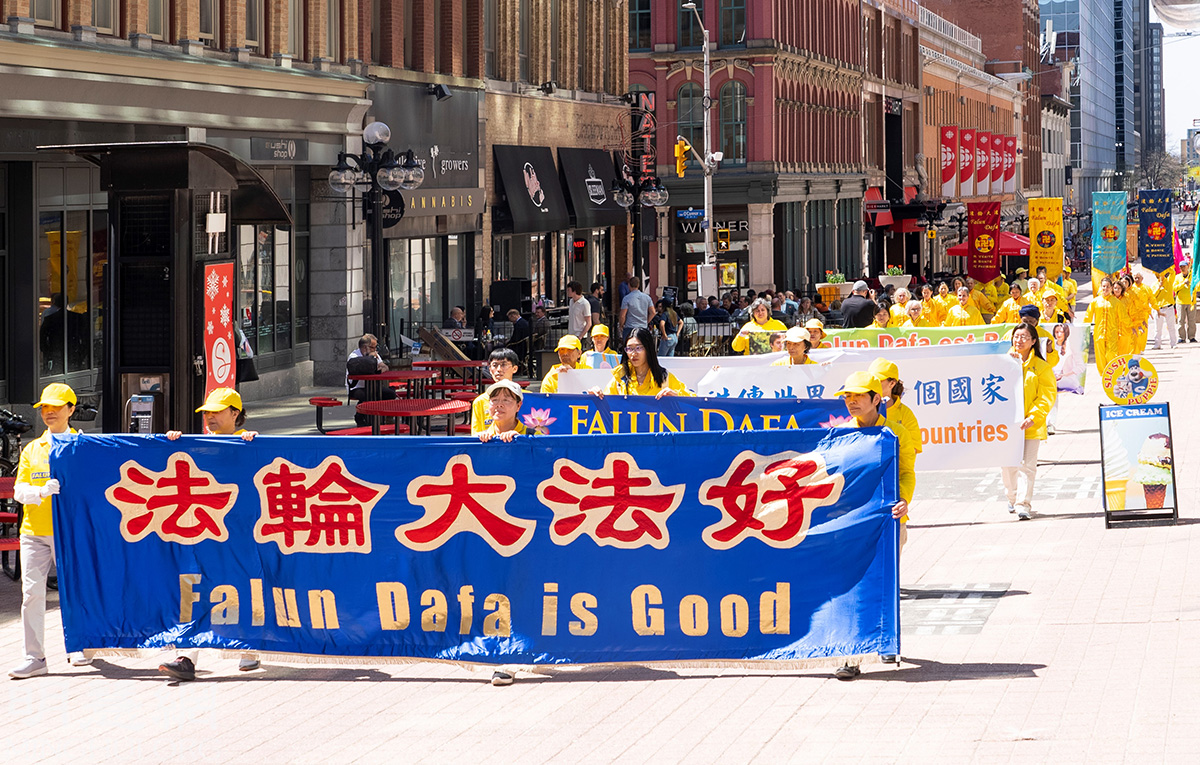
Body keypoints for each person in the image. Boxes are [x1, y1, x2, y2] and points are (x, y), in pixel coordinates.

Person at [158, 388, 259, 681]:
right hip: (202, 531)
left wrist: (255, 444)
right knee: (195, 588)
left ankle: (250, 647)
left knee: (243, 585)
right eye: (207, 412)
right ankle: (186, 656)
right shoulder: (194, 444)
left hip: (240, 532)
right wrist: (173, 444)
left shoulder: (250, 444)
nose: (210, 417)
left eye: (217, 411)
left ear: (235, 413)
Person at [830, 370, 915, 681]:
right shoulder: (840, 435)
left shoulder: (896, 433)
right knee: (850, 586)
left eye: (857, 396)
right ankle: (850, 657)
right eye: (847, 396)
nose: (851, 401)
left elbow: (906, 473)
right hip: (851, 525)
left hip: (888, 521)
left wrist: (904, 499)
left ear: (876, 399)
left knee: (884, 583)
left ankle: (886, 642)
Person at [8, 384, 89, 678]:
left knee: (74, 590)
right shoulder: (33, 449)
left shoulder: (83, 447)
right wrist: (41, 491)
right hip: (34, 532)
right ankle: (34, 658)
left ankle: (79, 647)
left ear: (71, 409)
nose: (49, 412)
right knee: (31, 594)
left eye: (56, 406)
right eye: (44, 407)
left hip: (69, 532)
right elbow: (19, 491)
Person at [1002, 324, 1056, 520]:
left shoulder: (1041, 367)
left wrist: (1033, 417)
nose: (1019, 340)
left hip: (1031, 425)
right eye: (1017, 336)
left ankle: (1023, 503)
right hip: (1006, 425)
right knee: (1008, 465)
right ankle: (1012, 497)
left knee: (1027, 466)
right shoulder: (1003, 363)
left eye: (1025, 337)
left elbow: (1046, 395)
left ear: (1033, 341)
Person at [592, 327, 693, 398]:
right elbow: (606, 403)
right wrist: (595, 396)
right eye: (629, 349)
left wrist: (677, 396)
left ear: (648, 349)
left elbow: (693, 400)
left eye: (638, 348)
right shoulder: (620, 377)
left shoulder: (664, 377)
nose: (633, 353)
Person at [868, 358, 923, 461]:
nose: (873, 384)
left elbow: (912, 450)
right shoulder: (863, 409)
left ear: (892, 383)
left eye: (878, 381)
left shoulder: (905, 413)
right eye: (871, 380)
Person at [346, 334, 394, 427]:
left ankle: (385, 417)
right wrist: (370, 359)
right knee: (369, 395)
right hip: (356, 387)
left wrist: (380, 368)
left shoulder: (375, 355)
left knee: (390, 394)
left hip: (372, 386)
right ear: (365, 347)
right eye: (373, 347)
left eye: (376, 347)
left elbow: (384, 366)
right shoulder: (354, 357)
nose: (375, 350)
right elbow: (365, 369)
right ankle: (360, 416)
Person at [473, 348, 521, 433]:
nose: (499, 369)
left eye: (504, 365)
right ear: (490, 369)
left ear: (515, 369)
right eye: (495, 365)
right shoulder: (479, 401)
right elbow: (476, 434)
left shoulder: (528, 398)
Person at [1085, 277, 1123, 373]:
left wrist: (1131, 327)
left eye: (1108, 286)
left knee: (1111, 354)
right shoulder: (1095, 302)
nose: (1105, 288)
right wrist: (1083, 329)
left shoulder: (1116, 302)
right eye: (1104, 286)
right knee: (1100, 355)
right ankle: (1103, 374)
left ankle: (1112, 373)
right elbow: (1088, 317)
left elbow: (1123, 318)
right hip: (1099, 333)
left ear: (1111, 288)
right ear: (1101, 287)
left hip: (1112, 333)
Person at [477, 380, 527, 444]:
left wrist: (520, 441)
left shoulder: (533, 435)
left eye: (506, 400)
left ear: (518, 406)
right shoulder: (482, 437)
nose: (499, 404)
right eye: (495, 400)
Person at [1151, 269, 1177, 350]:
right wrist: (1159, 287)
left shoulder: (1169, 281)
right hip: (1159, 309)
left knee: (1171, 326)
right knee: (1157, 328)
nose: (1159, 275)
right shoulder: (1154, 284)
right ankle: (1157, 344)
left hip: (1169, 307)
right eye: (1157, 274)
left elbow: (1173, 273)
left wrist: (1166, 267)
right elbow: (1152, 296)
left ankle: (1173, 343)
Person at [1176, 262, 1196, 343]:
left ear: (1188, 267)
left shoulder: (1192, 276)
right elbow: (1174, 288)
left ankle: (1192, 337)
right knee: (1181, 321)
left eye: (1184, 266)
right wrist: (1183, 283)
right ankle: (1181, 337)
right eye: (1181, 267)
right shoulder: (1177, 277)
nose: (1182, 268)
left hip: (1191, 302)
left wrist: (1189, 283)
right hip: (1180, 302)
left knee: (1192, 321)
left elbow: (1196, 287)